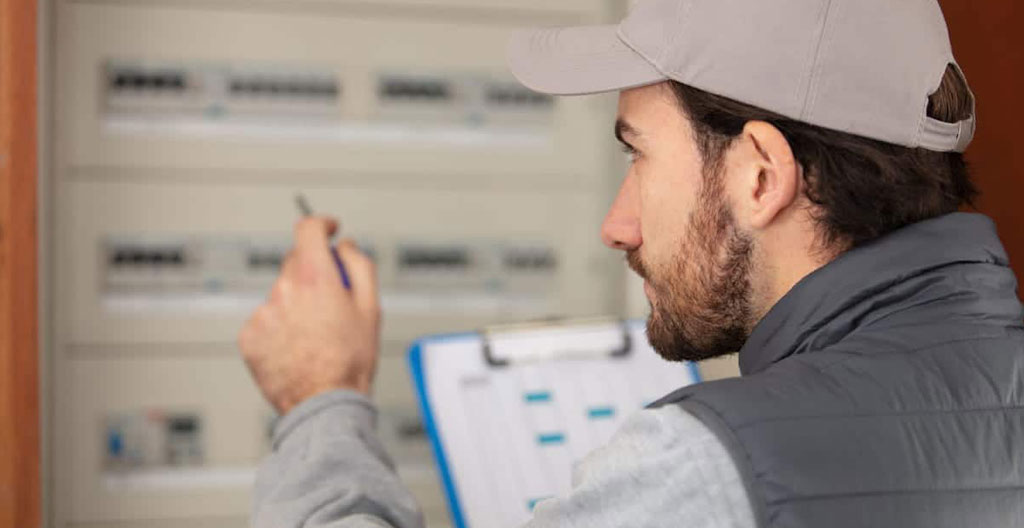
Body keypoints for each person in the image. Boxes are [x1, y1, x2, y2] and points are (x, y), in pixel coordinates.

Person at [238, 0, 1024, 526]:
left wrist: (320, 402)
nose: (616, 227)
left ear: (760, 174)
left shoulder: (708, 470)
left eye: (638, 157)